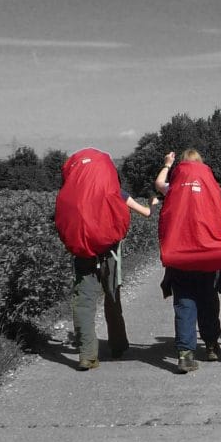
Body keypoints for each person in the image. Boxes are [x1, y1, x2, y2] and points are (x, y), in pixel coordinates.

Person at [54, 147, 153, 371]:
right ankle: (118, 345)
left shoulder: (73, 193)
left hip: (82, 249)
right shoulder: (117, 191)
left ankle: (87, 354)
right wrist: (153, 204)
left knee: (84, 300)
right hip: (109, 249)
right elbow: (145, 212)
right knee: (112, 295)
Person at [155, 149, 221, 373]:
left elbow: (158, 183)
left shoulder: (174, 188)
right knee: (208, 300)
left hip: (180, 255)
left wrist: (168, 164)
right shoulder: (213, 188)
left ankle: (185, 354)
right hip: (208, 254)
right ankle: (211, 345)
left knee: (184, 303)